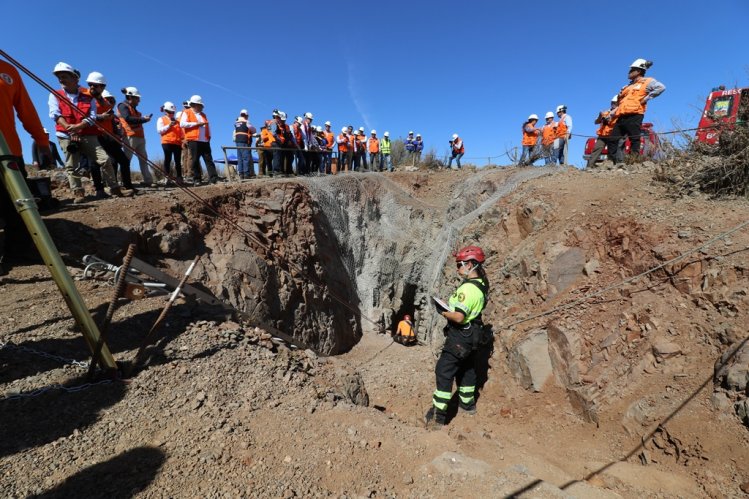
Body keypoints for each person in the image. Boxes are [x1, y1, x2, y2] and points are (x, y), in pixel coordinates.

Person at [425, 245, 489, 429]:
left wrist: (443, 311)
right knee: (467, 369)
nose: (458, 268)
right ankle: (467, 406)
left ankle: (439, 416)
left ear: (471, 264)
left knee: (444, 371)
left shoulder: (468, 289)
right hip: (473, 337)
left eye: (460, 264)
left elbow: (459, 317)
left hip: (460, 337)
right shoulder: (481, 285)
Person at [0, 58, 51, 269]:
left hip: (10, 152)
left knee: (17, 207)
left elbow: (26, 109)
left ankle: (17, 253)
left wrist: (41, 140)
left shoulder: (8, 70)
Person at [48, 63, 124, 202]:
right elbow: (55, 114)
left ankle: (114, 188)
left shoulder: (87, 95)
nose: (61, 80)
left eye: (64, 76)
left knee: (104, 159)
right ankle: (78, 193)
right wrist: (70, 129)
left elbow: (92, 116)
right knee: (72, 165)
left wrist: (79, 126)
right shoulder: (55, 95)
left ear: (75, 78)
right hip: (65, 134)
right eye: (59, 77)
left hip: (87, 133)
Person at [608, 59, 666, 164]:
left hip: (635, 115)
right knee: (612, 139)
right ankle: (610, 162)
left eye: (631, 70)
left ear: (638, 71)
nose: (628, 73)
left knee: (634, 139)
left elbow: (661, 87)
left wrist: (646, 99)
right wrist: (611, 113)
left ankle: (633, 162)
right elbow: (621, 103)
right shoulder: (627, 87)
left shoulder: (647, 81)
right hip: (621, 116)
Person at [92, 87, 136, 191]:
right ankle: (103, 188)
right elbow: (89, 117)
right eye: (109, 99)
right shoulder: (93, 105)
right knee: (97, 163)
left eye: (112, 100)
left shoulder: (112, 113)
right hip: (97, 136)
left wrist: (117, 135)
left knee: (123, 161)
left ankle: (127, 185)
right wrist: (101, 117)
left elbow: (113, 125)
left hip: (110, 137)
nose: (111, 102)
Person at [117, 86, 154, 186]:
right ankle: (124, 182)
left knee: (144, 159)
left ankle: (148, 180)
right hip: (129, 136)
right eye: (137, 98)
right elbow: (127, 118)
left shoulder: (135, 110)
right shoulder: (122, 106)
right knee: (126, 160)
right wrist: (143, 119)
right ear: (130, 97)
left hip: (140, 137)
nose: (139, 100)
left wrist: (143, 119)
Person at [180, 95, 219, 184]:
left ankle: (213, 178)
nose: (202, 107)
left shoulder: (203, 115)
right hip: (193, 140)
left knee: (209, 159)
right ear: (195, 105)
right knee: (195, 160)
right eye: (200, 105)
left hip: (204, 140)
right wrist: (196, 124)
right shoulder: (187, 112)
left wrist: (209, 136)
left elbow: (207, 126)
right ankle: (197, 179)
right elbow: (182, 124)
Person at [586, 96, 620, 168]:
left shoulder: (619, 113)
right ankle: (589, 166)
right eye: (612, 103)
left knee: (613, 151)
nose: (613, 104)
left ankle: (613, 166)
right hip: (602, 135)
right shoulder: (605, 112)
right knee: (596, 149)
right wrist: (600, 116)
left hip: (613, 135)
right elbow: (596, 122)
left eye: (615, 103)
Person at [157, 101, 184, 184]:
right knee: (168, 160)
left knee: (177, 161)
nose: (171, 113)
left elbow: (181, 132)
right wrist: (169, 125)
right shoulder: (161, 119)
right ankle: (167, 178)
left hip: (177, 143)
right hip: (167, 142)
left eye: (173, 112)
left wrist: (182, 140)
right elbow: (159, 130)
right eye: (170, 112)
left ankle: (179, 178)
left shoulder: (177, 121)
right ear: (165, 111)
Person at [233, 109, 256, 179]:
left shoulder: (236, 122)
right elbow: (254, 130)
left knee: (240, 158)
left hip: (238, 141)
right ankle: (246, 173)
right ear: (246, 115)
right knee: (246, 157)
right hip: (244, 141)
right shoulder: (246, 122)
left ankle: (241, 173)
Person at [269, 110, 293, 176]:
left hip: (277, 142)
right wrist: (279, 140)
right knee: (277, 157)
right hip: (275, 142)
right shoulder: (274, 123)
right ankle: (276, 171)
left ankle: (278, 171)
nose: (281, 120)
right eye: (280, 118)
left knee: (278, 157)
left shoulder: (277, 123)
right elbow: (273, 133)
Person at [176, 100, 192, 176]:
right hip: (186, 138)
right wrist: (183, 139)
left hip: (186, 138)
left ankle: (187, 173)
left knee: (187, 157)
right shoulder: (184, 116)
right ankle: (189, 173)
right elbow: (180, 129)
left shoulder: (183, 115)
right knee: (189, 157)